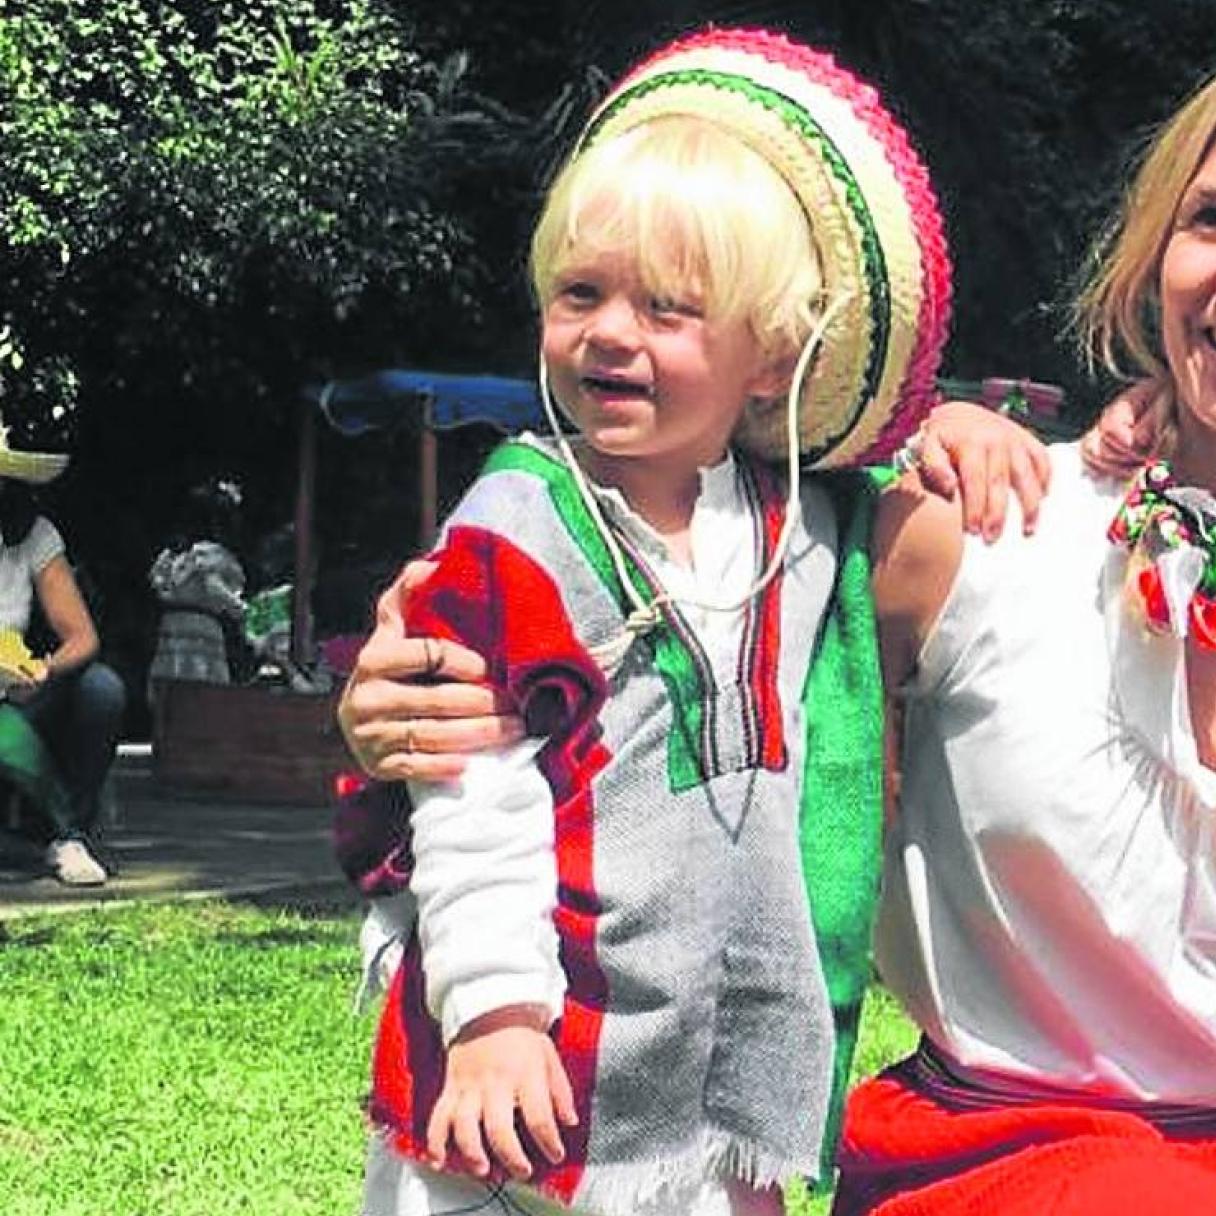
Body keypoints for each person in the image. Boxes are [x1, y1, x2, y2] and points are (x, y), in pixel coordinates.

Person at [338, 35, 1216, 1216]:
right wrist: (410, 677)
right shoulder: (981, 533)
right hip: (990, 1163)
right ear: (1158, 264)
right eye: (1214, 221)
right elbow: (646, 582)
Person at [341, 28, 990, 1216]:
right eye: (579, 293)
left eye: (669, 307)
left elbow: (921, 483)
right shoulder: (518, 526)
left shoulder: (805, 526)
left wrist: (966, 430)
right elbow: (468, 779)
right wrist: (490, 1012)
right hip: (522, 1056)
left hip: (719, 1057)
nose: (609, 332)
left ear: (773, 354)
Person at [0, 424, 125, 887]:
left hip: (16, 695)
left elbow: (81, 637)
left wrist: (42, 670)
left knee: (101, 689)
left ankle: (67, 833)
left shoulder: (32, 535)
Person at [146, 477, 248, 714]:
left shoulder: (173, 556)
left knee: (173, 681)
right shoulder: (212, 556)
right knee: (200, 685)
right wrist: (241, 610)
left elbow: (157, 585)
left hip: (172, 623)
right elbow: (215, 589)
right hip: (201, 626)